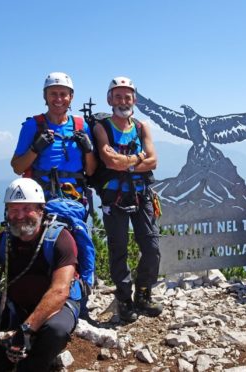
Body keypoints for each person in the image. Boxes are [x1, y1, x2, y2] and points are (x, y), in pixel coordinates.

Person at [0, 178, 81, 372]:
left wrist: (27, 328)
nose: (19, 215)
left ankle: (31, 367)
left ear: (41, 210)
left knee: (56, 331)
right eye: (14, 209)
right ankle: (1, 367)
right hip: (17, 306)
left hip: (57, 308)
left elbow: (60, 291)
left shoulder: (61, 240)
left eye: (26, 208)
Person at [10, 72, 96, 319]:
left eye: (63, 94)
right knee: (47, 250)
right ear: (45, 97)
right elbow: (17, 166)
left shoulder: (81, 127)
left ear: (71, 97)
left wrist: (88, 149)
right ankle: (44, 303)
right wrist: (36, 148)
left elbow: (90, 170)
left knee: (76, 249)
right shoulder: (32, 126)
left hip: (74, 200)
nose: (58, 98)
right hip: (42, 200)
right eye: (53, 94)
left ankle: (77, 302)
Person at [91, 76, 162, 322]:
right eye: (118, 96)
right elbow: (110, 161)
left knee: (151, 248)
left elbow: (154, 161)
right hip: (114, 196)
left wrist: (127, 163)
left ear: (134, 99)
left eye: (127, 96)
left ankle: (143, 293)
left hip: (141, 194)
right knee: (118, 249)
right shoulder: (103, 127)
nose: (123, 101)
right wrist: (138, 158)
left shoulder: (142, 127)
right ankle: (124, 299)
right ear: (110, 99)